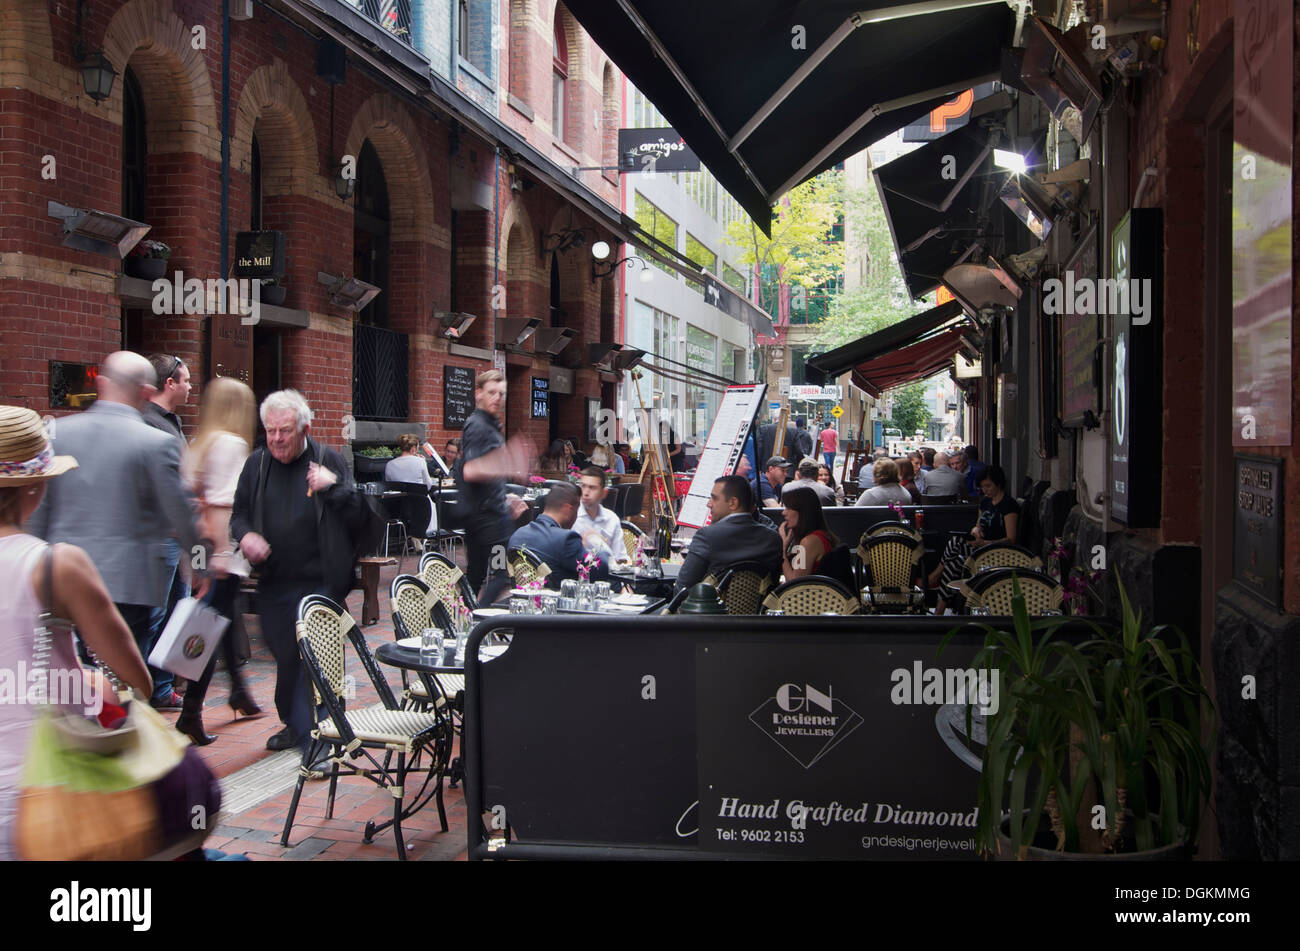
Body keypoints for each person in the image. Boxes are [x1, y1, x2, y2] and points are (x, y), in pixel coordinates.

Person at [0, 405, 154, 861]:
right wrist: (90, 682)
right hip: (45, 796)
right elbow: (136, 682)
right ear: (33, 485)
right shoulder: (56, 565)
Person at [26, 351, 203, 702]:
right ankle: (118, 732)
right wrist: (201, 565)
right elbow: (181, 515)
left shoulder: (58, 432)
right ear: (146, 392)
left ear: (101, 384)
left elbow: (39, 510)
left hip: (63, 581)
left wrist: (32, 568)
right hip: (129, 584)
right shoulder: (157, 443)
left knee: (66, 670)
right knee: (123, 680)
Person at [229, 389, 363, 754]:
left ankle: (318, 739)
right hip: (275, 582)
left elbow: (359, 516)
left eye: (284, 431)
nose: (275, 439)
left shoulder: (328, 459)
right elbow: (237, 515)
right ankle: (293, 723)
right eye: (270, 431)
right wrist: (246, 537)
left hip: (320, 582)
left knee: (318, 658)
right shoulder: (256, 465)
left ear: (305, 427)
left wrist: (332, 487)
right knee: (287, 657)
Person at [175, 378, 262, 746]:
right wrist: (221, 559)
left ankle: (239, 693)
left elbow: (196, 504)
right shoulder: (231, 444)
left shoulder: (202, 442)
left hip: (201, 549)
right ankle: (191, 712)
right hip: (221, 551)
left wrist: (198, 562)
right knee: (208, 631)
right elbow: (222, 505)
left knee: (223, 622)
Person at [139, 353, 195, 710]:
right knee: (154, 615)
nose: (191, 386)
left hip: (177, 536)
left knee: (176, 613)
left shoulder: (170, 421)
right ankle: (142, 690)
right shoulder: (147, 424)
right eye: (186, 380)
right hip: (159, 536)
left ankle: (162, 688)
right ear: (169, 383)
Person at [456, 370, 533, 605]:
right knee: (503, 573)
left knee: (476, 576)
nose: (497, 398)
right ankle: (479, 622)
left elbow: (483, 471)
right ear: (478, 393)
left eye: (501, 393)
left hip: (481, 514)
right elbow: (471, 470)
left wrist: (505, 496)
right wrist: (508, 461)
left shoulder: (484, 424)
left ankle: (465, 624)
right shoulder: (479, 425)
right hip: (489, 520)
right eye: (491, 392)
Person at [929, 465, 1020, 614]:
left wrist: (985, 543)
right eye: (983, 487)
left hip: (997, 551)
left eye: (988, 486)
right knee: (954, 556)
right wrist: (976, 531)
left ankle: (936, 578)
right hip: (981, 546)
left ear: (998, 483)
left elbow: (1011, 539)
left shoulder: (1009, 505)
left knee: (955, 552)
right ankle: (940, 610)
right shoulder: (985, 503)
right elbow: (977, 525)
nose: (985, 490)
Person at [674, 475, 781, 591]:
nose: (708, 504)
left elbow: (682, 589)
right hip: (756, 608)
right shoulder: (772, 539)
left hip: (712, 608)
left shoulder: (707, 536)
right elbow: (773, 587)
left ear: (733, 503)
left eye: (714, 498)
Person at [508, 481, 610, 585]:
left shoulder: (517, 534)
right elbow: (600, 569)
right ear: (568, 509)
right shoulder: (566, 539)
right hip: (557, 598)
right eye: (577, 510)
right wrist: (598, 544)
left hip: (524, 598)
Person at [778, 486, 842, 580]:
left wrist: (782, 550)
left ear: (803, 511)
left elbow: (795, 583)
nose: (783, 513)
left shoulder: (809, 542)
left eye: (788, 508)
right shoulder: (819, 536)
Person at [572, 467, 629, 563]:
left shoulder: (611, 519)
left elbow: (620, 557)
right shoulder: (572, 516)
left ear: (603, 493)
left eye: (592, 488)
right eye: (583, 486)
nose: (585, 492)